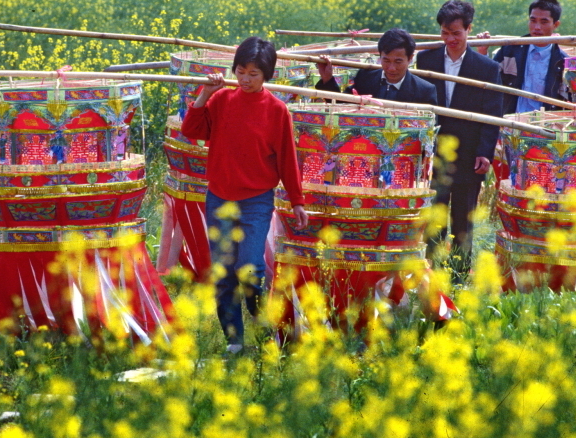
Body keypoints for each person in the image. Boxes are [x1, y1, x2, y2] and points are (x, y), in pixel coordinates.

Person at [181, 37, 307, 353]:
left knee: (250, 269)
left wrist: (297, 201)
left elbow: (287, 160)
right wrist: (205, 93)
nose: (246, 79)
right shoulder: (221, 100)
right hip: (219, 197)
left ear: (267, 75)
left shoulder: (277, 111)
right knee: (223, 271)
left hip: (256, 200)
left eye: (254, 74)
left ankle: (264, 331)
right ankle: (234, 343)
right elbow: (191, 130)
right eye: (241, 72)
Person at [415, 0, 504, 276]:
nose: (450, 39)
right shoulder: (426, 60)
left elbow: (493, 114)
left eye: (456, 33)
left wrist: (485, 153)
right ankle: (433, 271)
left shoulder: (487, 68)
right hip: (437, 151)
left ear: (469, 30)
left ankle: (461, 273)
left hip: (469, 150)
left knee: (463, 216)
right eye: (445, 32)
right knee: (435, 212)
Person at [314, 28, 437, 104]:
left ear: (410, 59)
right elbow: (341, 106)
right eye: (386, 60)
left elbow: (430, 134)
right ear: (379, 56)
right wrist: (327, 79)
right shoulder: (365, 78)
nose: (391, 68)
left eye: (398, 62)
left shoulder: (424, 91)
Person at [490, 0, 568, 116]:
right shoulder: (510, 50)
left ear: (556, 24)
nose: (537, 27)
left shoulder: (562, 61)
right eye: (533, 20)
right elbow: (490, 78)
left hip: (544, 125)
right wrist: (482, 51)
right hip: (510, 121)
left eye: (544, 22)